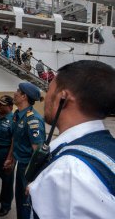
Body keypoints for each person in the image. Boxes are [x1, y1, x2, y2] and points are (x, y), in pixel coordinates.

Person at [29, 60, 115, 218]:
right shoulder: (107, 145)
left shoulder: (68, 171)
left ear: (64, 98)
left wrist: (57, 183)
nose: (46, 97)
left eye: (48, 90)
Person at [4, 82, 45, 219]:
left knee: (27, 205)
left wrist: (33, 180)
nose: (14, 93)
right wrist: (11, 158)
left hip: (28, 168)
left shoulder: (33, 120)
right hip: (20, 164)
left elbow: (38, 153)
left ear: (24, 96)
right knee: (20, 201)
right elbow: (15, 139)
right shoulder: (17, 114)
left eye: (17, 91)